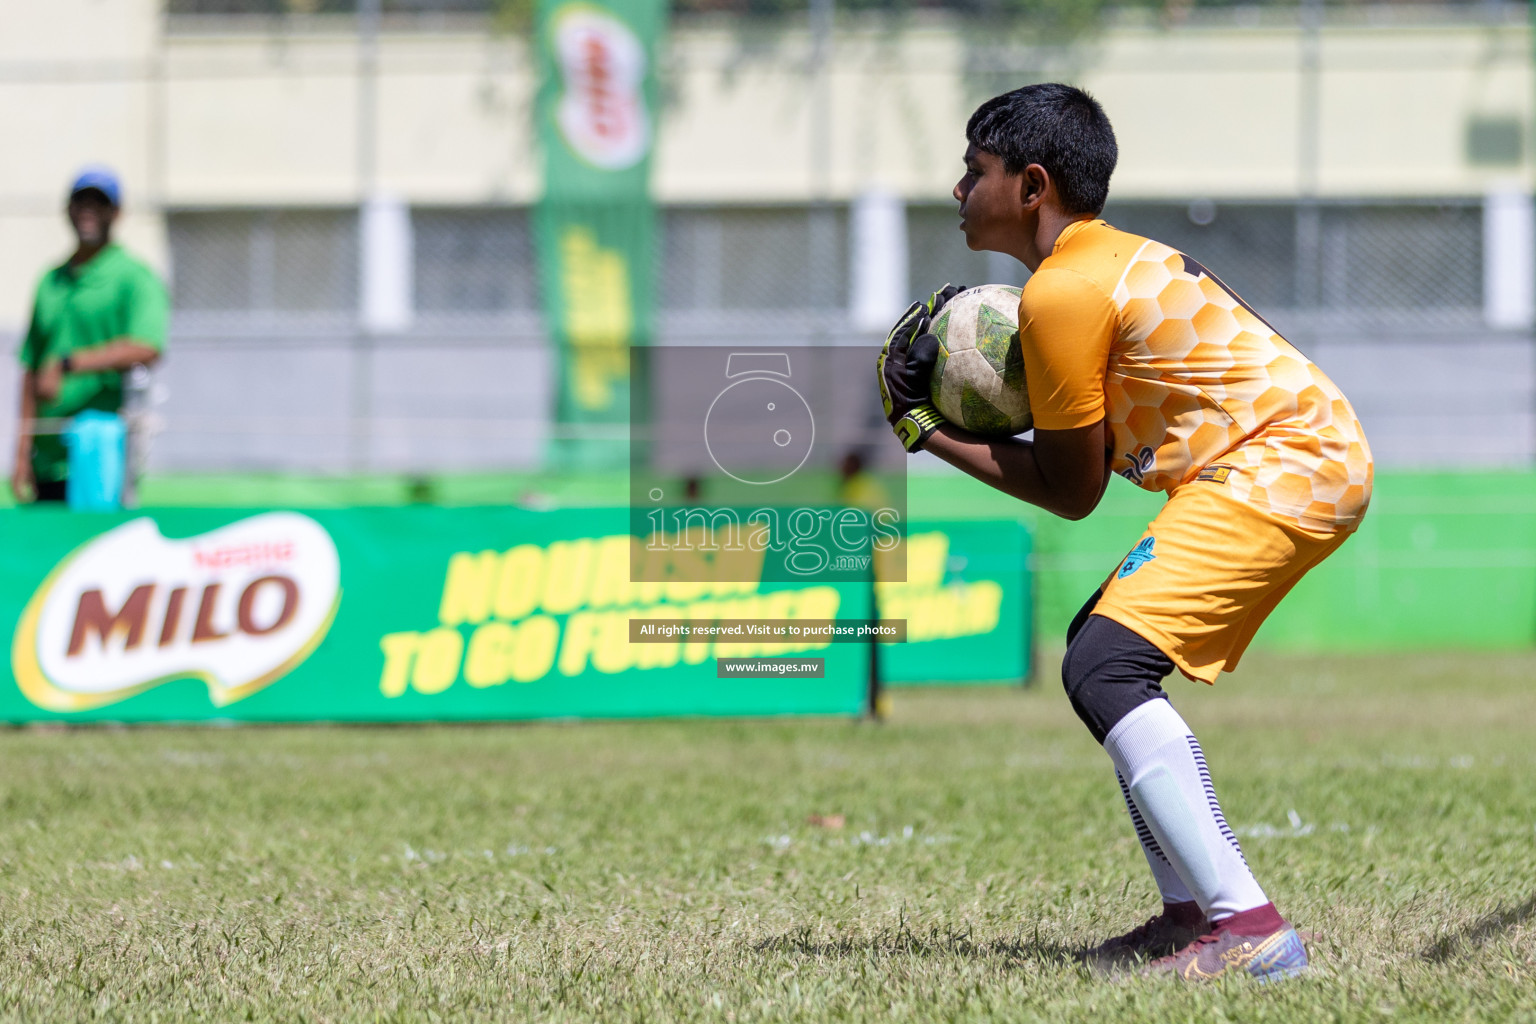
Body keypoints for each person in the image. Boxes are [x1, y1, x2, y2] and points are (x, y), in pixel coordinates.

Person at [877, 83, 1371, 981]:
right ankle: (1190, 917)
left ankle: (1249, 928)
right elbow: (1087, 468)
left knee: (1105, 665)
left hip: (1288, 462)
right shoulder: (1097, 266)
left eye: (972, 169)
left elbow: (1071, 491)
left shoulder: (1062, 292)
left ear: (1032, 186)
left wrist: (925, 431)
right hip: (1301, 454)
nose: (957, 189)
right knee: (1096, 648)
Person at [11, 166, 167, 504]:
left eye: (99, 203)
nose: (88, 211)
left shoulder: (133, 277)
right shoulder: (50, 280)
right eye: (80, 201)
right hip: (49, 460)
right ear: (67, 209)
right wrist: (22, 452)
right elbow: (31, 369)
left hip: (100, 457)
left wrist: (70, 363)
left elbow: (147, 347)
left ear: (117, 212)